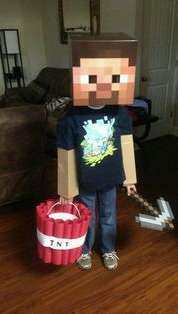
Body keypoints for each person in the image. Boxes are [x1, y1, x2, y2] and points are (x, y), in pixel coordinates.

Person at [57, 33, 138, 270]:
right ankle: (84, 250)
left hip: (110, 178)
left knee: (109, 215)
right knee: (86, 215)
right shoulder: (71, 118)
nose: (101, 85)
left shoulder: (119, 113)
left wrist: (130, 178)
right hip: (86, 179)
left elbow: (125, 145)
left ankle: (108, 249)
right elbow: (66, 154)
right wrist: (67, 189)